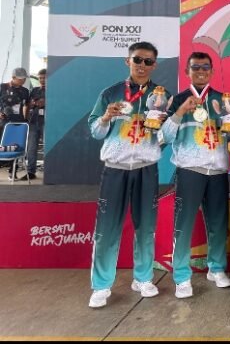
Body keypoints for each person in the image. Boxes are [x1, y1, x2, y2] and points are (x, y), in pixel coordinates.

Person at [86, 42, 170, 309]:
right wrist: (106, 118)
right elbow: (95, 132)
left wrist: (164, 129)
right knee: (107, 229)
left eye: (148, 61)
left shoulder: (163, 96)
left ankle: (143, 278)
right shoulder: (110, 93)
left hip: (146, 169)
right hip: (116, 169)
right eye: (137, 60)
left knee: (146, 228)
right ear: (128, 61)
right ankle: (101, 285)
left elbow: (167, 137)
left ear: (154, 65)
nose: (142, 65)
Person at [160, 52, 230, 299]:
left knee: (218, 224)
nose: (201, 71)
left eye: (205, 67)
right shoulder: (177, 99)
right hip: (190, 170)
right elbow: (163, 137)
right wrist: (180, 112)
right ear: (187, 71)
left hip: (218, 171)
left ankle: (216, 268)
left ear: (211, 71)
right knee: (183, 225)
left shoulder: (222, 100)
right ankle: (181, 276)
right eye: (195, 67)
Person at [0, 67, 30, 178]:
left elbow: (27, 105)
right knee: (3, 145)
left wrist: (25, 118)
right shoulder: (2, 87)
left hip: (18, 122)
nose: (23, 81)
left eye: (24, 79)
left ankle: (13, 171)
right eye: (21, 79)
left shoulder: (25, 91)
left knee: (16, 146)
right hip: (4, 121)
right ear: (13, 77)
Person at [23, 68, 47, 181]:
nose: (42, 80)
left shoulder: (54, 90)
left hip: (47, 123)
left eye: (44, 78)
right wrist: (26, 118)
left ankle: (49, 170)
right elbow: (27, 105)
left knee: (47, 147)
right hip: (33, 122)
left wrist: (45, 102)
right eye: (40, 78)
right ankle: (30, 172)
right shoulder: (34, 90)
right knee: (31, 148)